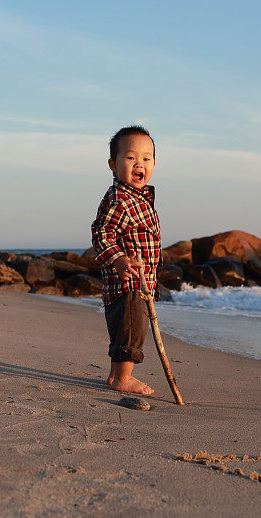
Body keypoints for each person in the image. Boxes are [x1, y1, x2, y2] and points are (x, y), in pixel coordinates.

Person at [91, 125, 160, 396]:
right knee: (131, 331)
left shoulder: (140, 199)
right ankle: (124, 377)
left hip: (140, 284)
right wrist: (118, 260)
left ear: (154, 163)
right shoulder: (120, 200)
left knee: (125, 329)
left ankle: (114, 374)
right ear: (113, 164)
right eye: (131, 158)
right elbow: (101, 234)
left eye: (146, 158)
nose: (139, 164)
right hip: (128, 283)